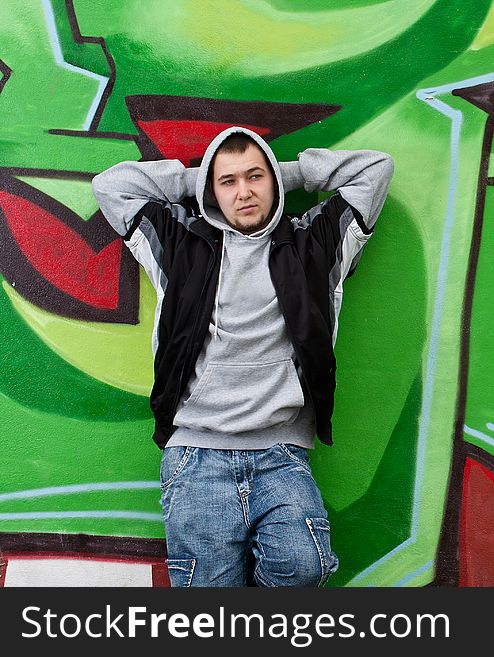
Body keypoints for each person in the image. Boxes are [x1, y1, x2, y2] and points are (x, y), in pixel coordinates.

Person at [92, 127, 393, 587]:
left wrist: (287, 172)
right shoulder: (178, 244)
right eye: (228, 181)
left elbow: (374, 169)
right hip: (196, 454)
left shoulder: (315, 244)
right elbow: (111, 186)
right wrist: (198, 179)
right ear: (212, 191)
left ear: (272, 180)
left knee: (305, 567)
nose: (244, 191)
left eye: (256, 177)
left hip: (282, 454)